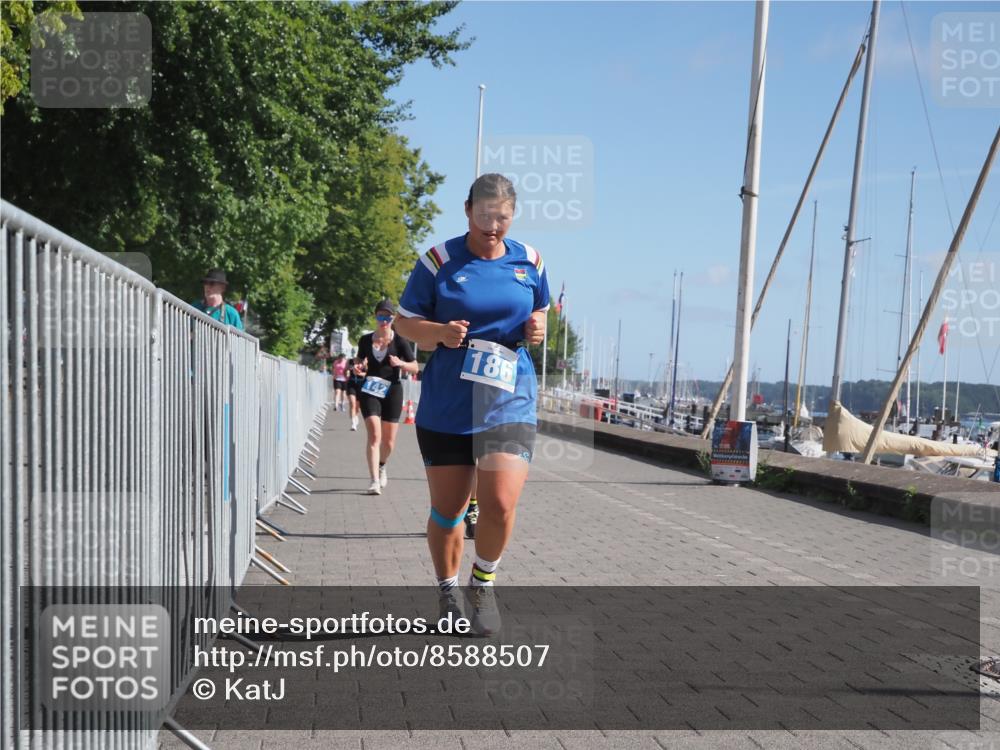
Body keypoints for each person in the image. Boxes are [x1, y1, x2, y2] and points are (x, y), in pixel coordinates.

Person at [394, 173, 549, 636]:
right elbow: (405, 323)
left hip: (508, 398)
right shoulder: (439, 260)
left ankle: (482, 584)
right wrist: (438, 333)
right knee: (449, 510)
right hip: (449, 403)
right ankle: (446, 589)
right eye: (485, 217)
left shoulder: (531, 261)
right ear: (467, 211)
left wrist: (538, 328)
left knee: (499, 503)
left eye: (502, 218)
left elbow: (539, 309)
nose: (493, 226)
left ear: (513, 215)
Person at [356, 300, 418, 495]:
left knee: (389, 442)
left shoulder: (399, 341)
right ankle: (374, 480)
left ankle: (382, 465)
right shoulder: (365, 340)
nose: (384, 320)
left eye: (388, 317)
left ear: (393, 319)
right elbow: (359, 359)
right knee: (374, 435)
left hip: (392, 390)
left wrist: (400, 363)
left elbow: (415, 366)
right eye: (380, 316)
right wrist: (358, 366)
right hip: (370, 389)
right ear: (375, 317)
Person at [346, 357, 365, 431]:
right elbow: (346, 370)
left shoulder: (365, 361)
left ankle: (355, 417)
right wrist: (347, 375)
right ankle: (353, 423)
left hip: (362, 384)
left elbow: (368, 373)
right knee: (352, 403)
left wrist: (360, 373)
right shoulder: (350, 361)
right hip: (351, 383)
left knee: (357, 406)